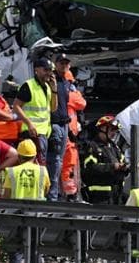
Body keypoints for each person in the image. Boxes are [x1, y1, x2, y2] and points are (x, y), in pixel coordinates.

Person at [13, 58, 57, 166]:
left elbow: (53, 108)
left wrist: (54, 89)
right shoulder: (28, 86)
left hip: (43, 133)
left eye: (50, 70)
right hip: (31, 132)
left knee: (41, 164)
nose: (49, 73)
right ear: (36, 70)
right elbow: (16, 106)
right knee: (34, 164)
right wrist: (29, 124)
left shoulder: (47, 87)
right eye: (46, 70)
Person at [81, 115, 127, 204]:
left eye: (116, 130)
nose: (114, 133)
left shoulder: (115, 148)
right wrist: (112, 167)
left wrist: (125, 168)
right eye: (112, 129)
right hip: (100, 198)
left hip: (116, 197)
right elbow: (90, 168)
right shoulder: (93, 147)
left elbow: (123, 162)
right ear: (102, 128)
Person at [46, 53, 74, 201]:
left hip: (64, 124)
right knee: (55, 160)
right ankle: (52, 194)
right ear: (55, 64)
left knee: (60, 160)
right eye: (61, 63)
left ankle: (55, 192)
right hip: (54, 124)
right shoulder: (52, 79)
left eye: (66, 63)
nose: (64, 66)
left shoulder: (66, 81)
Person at [61, 69, 86, 201]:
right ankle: (70, 193)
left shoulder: (56, 94)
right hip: (69, 138)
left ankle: (64, 191)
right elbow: (82, 103)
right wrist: (76, 91)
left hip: (62, 135)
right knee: (69, 165)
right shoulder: (70, 95)